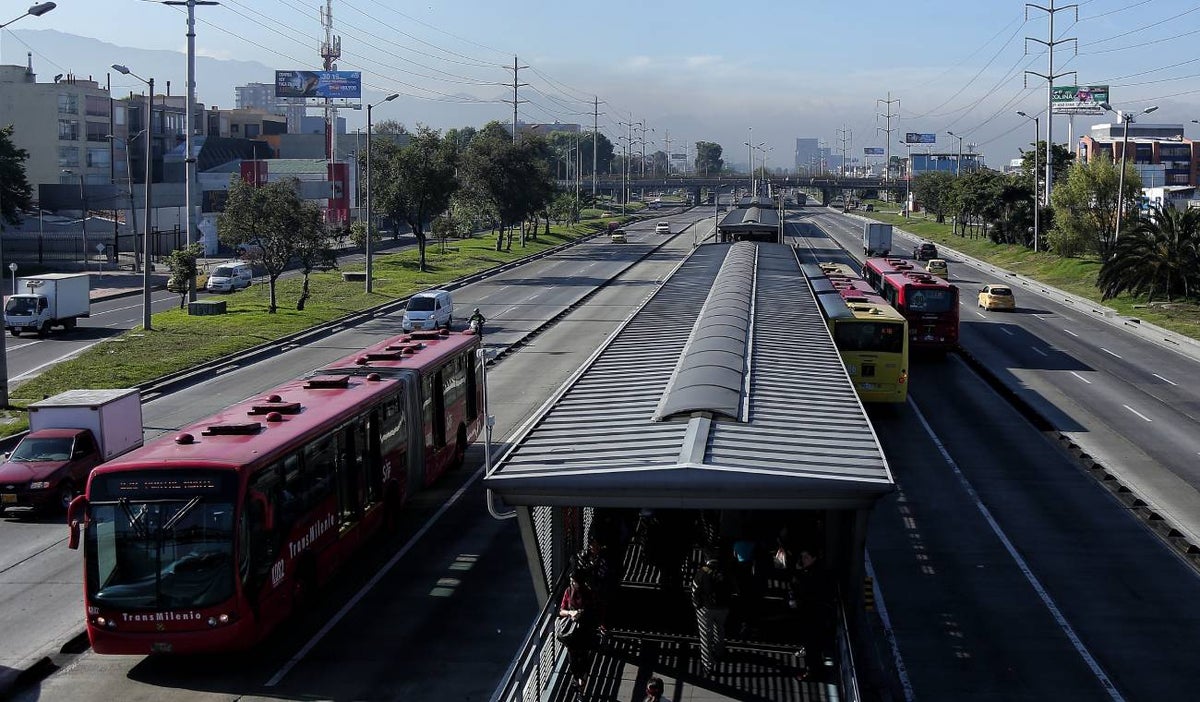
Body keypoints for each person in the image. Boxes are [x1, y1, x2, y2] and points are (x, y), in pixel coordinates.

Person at [791, 547, 836, 680]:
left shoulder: (812, 574)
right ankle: (815, 669)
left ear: (814, 558)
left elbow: (806, 591)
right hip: (815, 613)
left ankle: (812, 672)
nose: (803, 560)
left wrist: (798, 574)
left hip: (813, 614)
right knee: (814, 645)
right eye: (803, 557)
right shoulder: (815, 571)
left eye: (806, 557)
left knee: (812, 645)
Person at [691, 556, 734, 674]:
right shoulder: (726, 572)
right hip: (723, 608)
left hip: (707, 608)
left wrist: (698, 606)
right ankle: (719, 652)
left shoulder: (702, 573)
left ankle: (708, 664)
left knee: (705, 635)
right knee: (720, 629)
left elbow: (695, 592)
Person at [558, 571, 595, 693]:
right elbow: (561, 610)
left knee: (582, 657)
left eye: (574, 581)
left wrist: (581, 613)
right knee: (573, 660)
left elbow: (592, 610)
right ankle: (580, 681)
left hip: (584, 630)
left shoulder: (588, 593)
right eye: (571, 581)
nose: (572, 583)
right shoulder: (568, 591)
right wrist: (570, 613)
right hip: (573, 633)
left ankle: (581, 684)